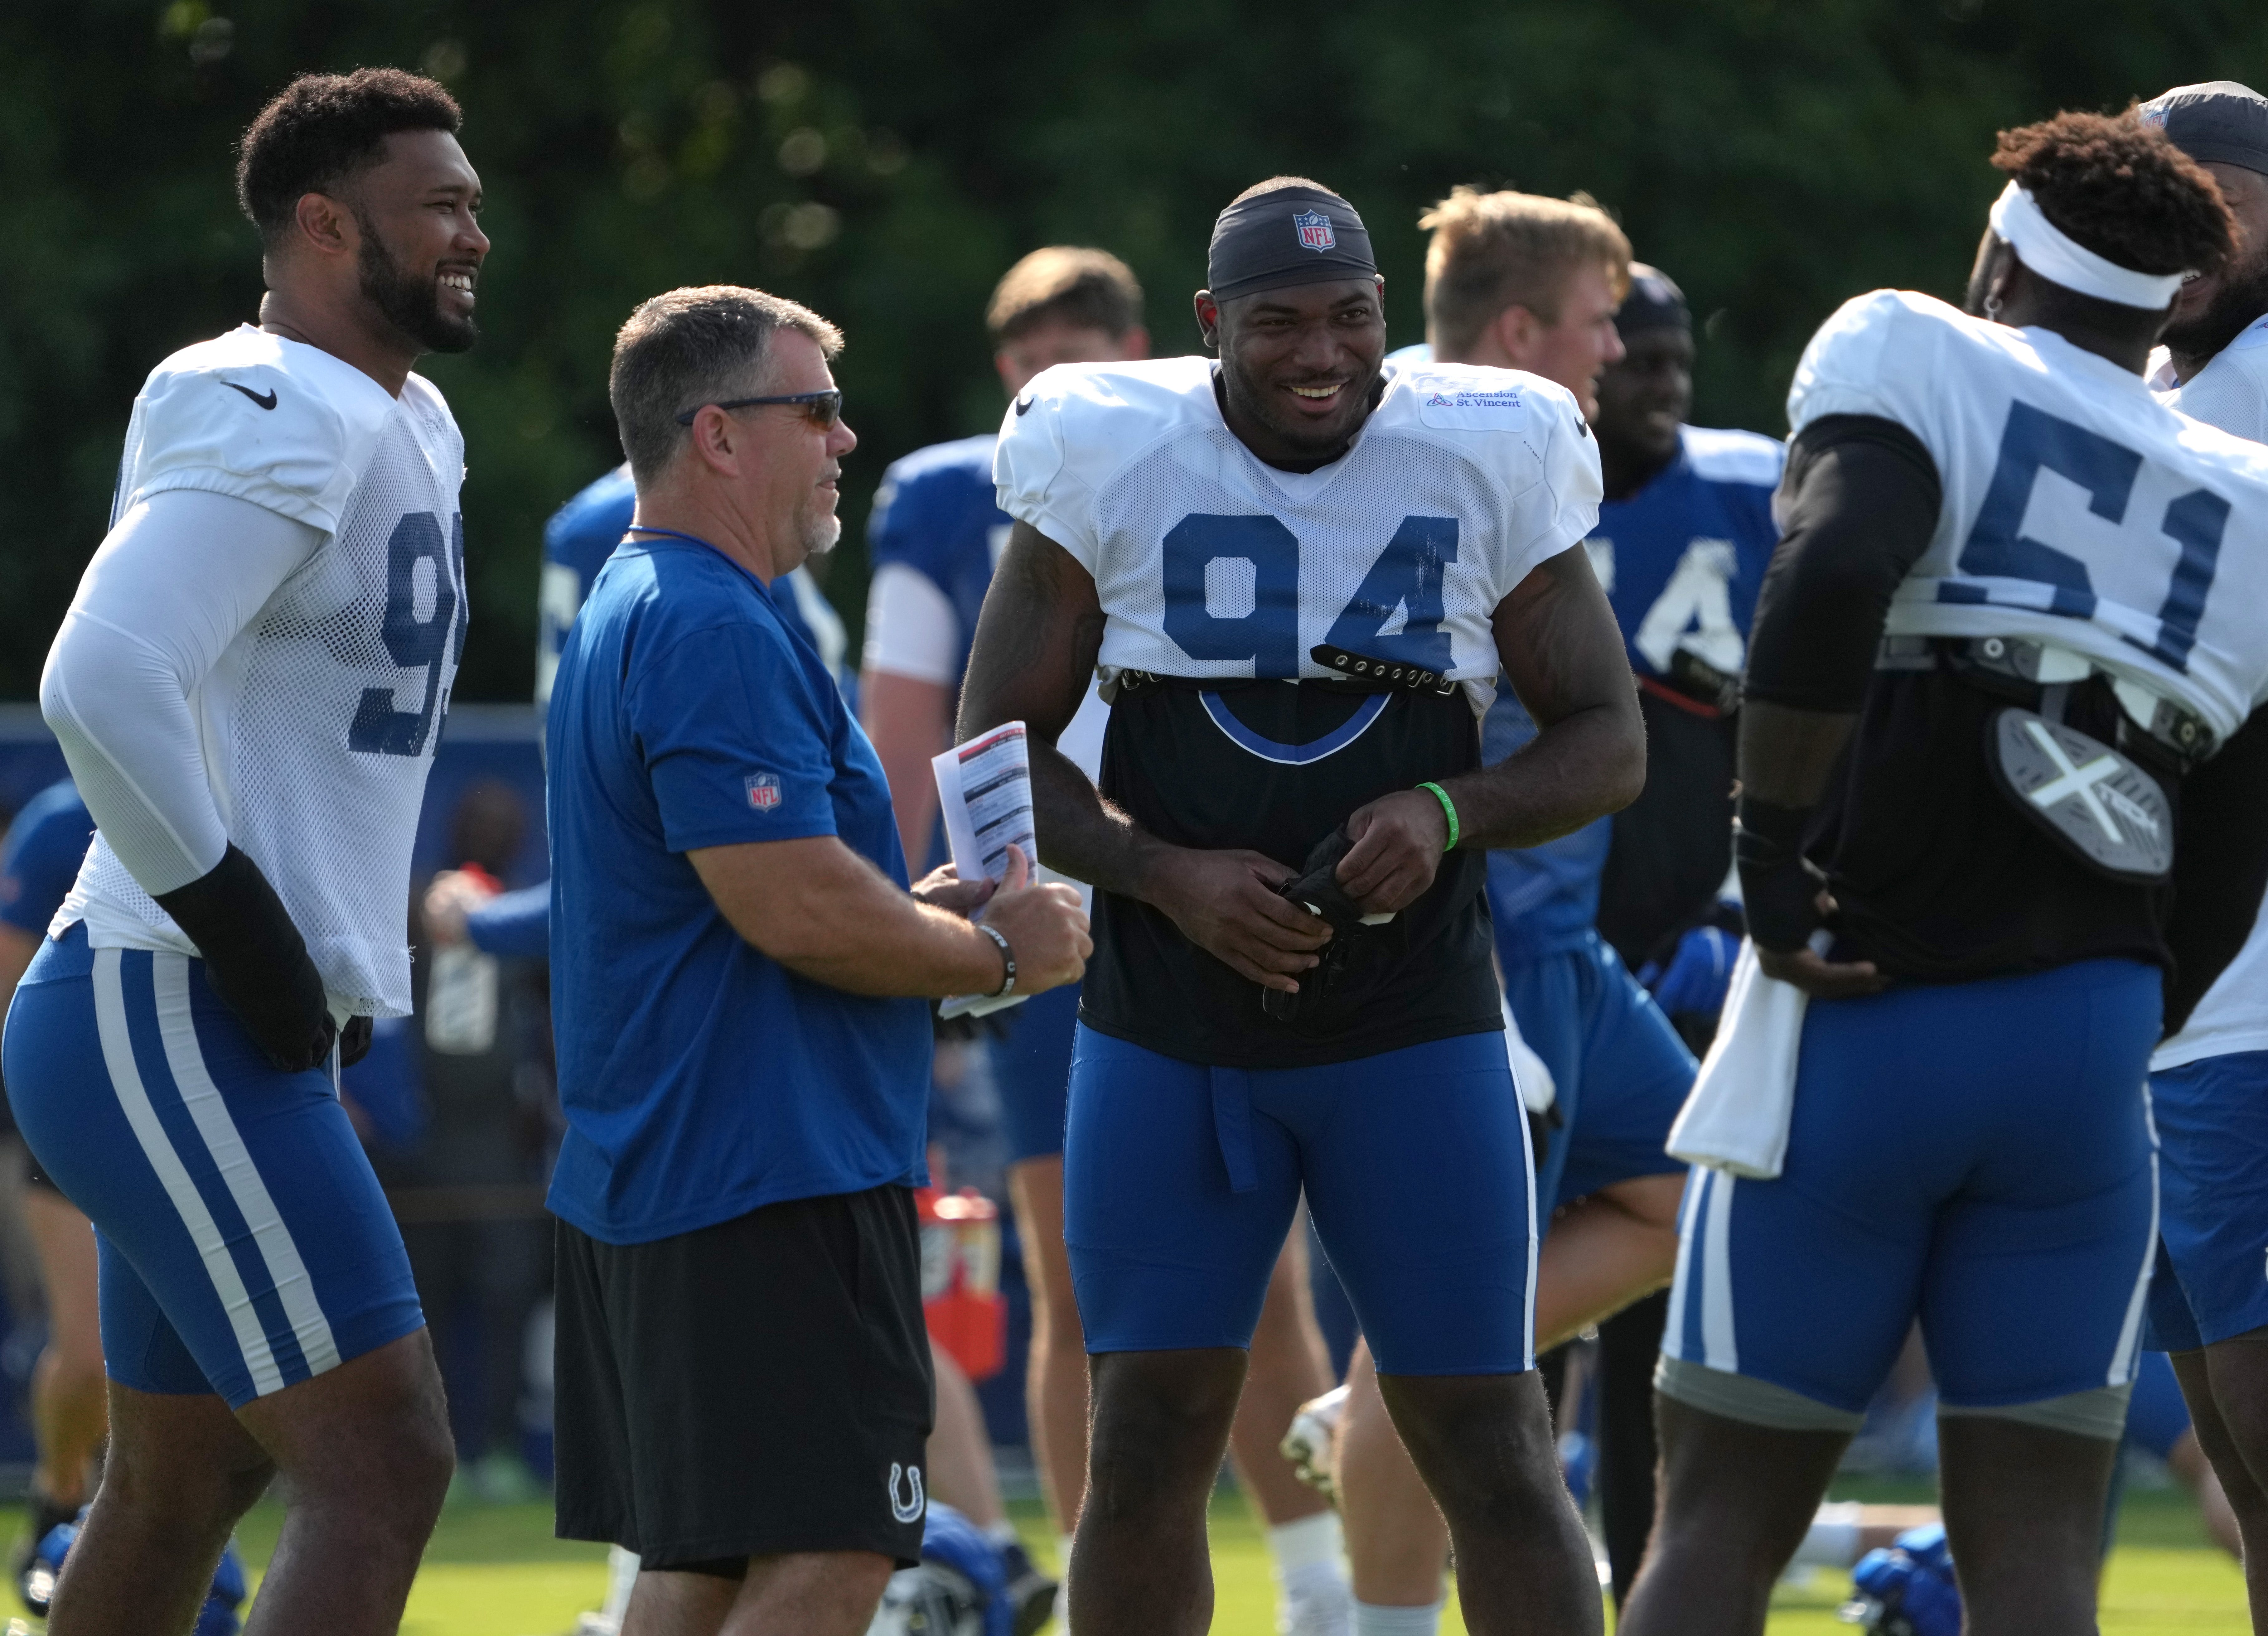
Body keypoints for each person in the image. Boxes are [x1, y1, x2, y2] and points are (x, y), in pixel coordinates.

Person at [960, 176, 1645, 1636]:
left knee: (1490, 1436)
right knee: (1146, 1438)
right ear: (1212, 325)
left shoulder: (1485, 447)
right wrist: (1160, 872)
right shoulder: (1106, 446)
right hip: (1169, 1023)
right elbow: (996, 750)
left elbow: (1606, 738)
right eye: (1279, 323)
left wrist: (1449, 808)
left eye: (1351, 317)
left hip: (1413, 1022)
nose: (1321, 352)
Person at [1618, 110, 2268, 1636]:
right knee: (2038, 1563)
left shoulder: (1916, 344)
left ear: (1998, 252)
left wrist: (1769, 863)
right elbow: (2237, 833)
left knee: (1718, 1524)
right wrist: (2124, 1006)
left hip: (1864, 999)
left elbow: (1833, 570)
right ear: (2174, 292)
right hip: (2091, 1052)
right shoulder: (2246, 485)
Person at [1, 68, 486, 1634]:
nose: (476, 230)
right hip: (168, 997)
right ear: (327, 226)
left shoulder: (408, 411)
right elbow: (100, 675)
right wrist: (252, 933)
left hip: (218, 1019)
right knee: (387, 1459)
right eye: (441, 204)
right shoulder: (263, 392)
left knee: (179, 1481)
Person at [544, 284, 1089, 1636]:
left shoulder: (652, 598)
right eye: (820, 411)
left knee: (705, 1563)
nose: (848, 440)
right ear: (718, 434)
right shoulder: (709, 619)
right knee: (835, 1551)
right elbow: (789, 907)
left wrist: (918, 906)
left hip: (684, 1164)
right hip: (759, 1171)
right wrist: (993, 952)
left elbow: (774, 895)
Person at [861, 244, 1349, 1633]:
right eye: (1027, 362)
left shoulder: (1253, 448)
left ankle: (1317, 1591)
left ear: (1155, 347)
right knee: (1086, 1295)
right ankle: (1106, 1595)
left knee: (1263, 1290)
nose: (1051, 386)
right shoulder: (952, 493)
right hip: (1058, 911)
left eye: (1078, 354)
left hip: (1220, 891)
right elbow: (910, 722)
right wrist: (927, 929)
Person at [1332, 218, 1787, 1631]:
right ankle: (1385, 1609)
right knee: (1445, 1352)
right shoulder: (1410, 448)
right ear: (1522, 332)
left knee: (1691, 1190)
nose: (1618, 346)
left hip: (1562, 935)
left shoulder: (1525, 443)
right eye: (1597, 320)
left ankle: (1365, 1390)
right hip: (1480, 938)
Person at [2128, 78, 2268, 1626]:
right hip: (2170, 994)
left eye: (2227, 194)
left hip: (2256, 1000)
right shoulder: (2152, 377)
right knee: (2231, 1442)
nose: (2200, 227)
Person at [0, 781, 103, 1604]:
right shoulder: (59, 825)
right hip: (68, 1107)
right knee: (90, 1351)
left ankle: (131, 1530)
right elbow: (10, 981)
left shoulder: (227, 801)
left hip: (186, 1106)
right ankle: (56, 1503)